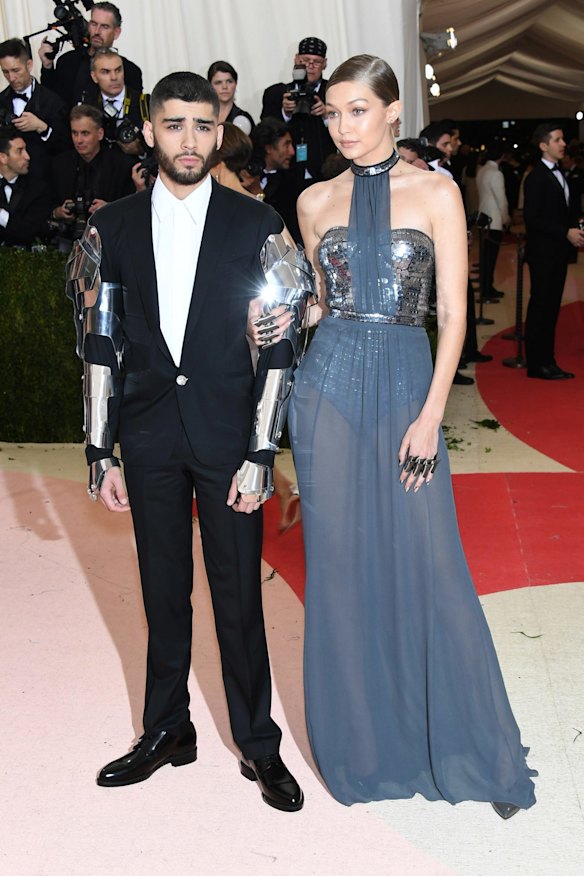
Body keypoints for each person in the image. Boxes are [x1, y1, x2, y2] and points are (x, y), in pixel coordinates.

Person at [262, 54, 537, 816]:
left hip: (408, 382)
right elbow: (321, 304)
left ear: (391, 110)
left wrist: (430, 414)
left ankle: (459, 739)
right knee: (343, 566)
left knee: (428, 556)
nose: (344, 127)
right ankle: (364, 744)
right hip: (329, 391)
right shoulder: (313, 200)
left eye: (358, 110)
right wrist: (290, 317)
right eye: (333, 114)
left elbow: (452, 314)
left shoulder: (438, 191)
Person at [65, 71, 311, 811]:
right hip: (146, 441)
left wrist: (263, 452)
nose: (190, 140)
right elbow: (99, 346)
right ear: (149, 131)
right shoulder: (112, 228)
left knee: (239, 600)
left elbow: (281, 351)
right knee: (162, 593)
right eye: (174, 125)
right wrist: (100, 448)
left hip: (229, 439)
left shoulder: (257, 223)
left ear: (219, 129)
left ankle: (258, 746)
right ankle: (167, 728)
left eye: (203, 125)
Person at [524, 123, 584, 380]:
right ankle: (538, 364)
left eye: (563, 139)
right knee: (541, 307)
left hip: (557, 253)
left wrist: (574, 226)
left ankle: (547, 360)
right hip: (544, 254)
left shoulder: (560, 173)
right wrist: (565, 232)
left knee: (550, 308)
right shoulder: (537, 177)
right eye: (558, 140)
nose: (563, 144)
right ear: (543, 145)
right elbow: (532, 218)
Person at [51, 104, 135, 240]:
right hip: (67, 239)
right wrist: (56, 212)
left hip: (111, 238)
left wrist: (109, 209)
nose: (79, 140)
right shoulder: (60, 164)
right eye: (74, 133)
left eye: (85, 133)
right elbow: (46, 203)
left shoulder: (122, 165)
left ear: (100, 134)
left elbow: (132, 208)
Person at [38, 2, 143, 109]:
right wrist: (47, 66)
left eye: (104, 27)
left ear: (116, 32)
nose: (97, 31)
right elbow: (50, 104)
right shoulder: (67, 62)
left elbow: (134, 114)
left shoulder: (130, 71)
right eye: (93, 24)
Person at [261, 37, 335, 188]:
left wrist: (327, 115)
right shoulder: (277, 94)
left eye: (317, 62)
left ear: (325, 64)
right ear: (296, 59)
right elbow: (264, 133)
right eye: (306, 60)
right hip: (287, 177)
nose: (310, 66)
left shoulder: (333, 92)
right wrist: (285, 113)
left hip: (324, 174)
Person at [0, 38, 69, 178]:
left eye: (15, 70)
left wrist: (42, 128)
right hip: (12, 187)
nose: (11, 77)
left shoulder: (52, 101)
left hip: (46, 181)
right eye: (5, 72)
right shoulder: (1, 101)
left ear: (29, 65)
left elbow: (66, 146)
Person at [86, 47, 150, 158]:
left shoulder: (144, 104)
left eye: (118, 70)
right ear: (94, 77)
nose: (114, 77)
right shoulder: (88, 107)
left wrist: (142, 151)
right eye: (106, 72)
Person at [0, 125, 51, 246]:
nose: (27, 157)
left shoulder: (38, 189)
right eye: (19, 151)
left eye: (26, 150)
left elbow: (29, 232)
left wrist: (1, 214)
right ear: (3, 157)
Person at [476, 142, 509, 301]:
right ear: (502, 156)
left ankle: (487, 287)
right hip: (494, 219)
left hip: (483, 216)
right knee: (490, 257)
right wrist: (506, 217)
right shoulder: (496, 173)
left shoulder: (482, 170)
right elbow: (500, 198)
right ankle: (487, 290)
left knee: (485, 257)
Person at [207, 60, 254, 134]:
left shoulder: (244, 118)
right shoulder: (203, 116)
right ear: (210, 86)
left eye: (229, 81)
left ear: (235, 84)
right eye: (218, 82)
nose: (224, 87)